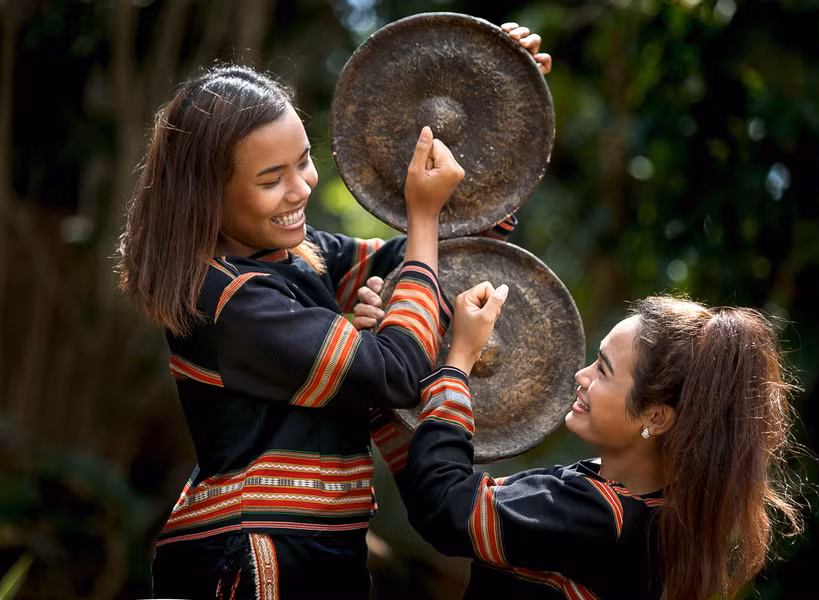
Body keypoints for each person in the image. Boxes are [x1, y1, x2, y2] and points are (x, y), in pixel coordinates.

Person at [115, 23, 551, 600]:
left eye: (303, 162)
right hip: (252, 560)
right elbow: (398, 370)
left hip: (314, 551)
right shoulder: (229, 300)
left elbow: (423, 263)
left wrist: (493, 96)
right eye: (273, 180)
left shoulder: (299, 257)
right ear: (206, 196)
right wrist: (421, 220)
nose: (301, 188)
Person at [378, 286, 808, 600]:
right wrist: (381, 401)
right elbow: (440, 496)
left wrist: (458, 361)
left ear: (655, 417)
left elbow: (445, 509)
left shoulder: (603, 518)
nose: (581, 376)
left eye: (602, 370)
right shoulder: (634, 508)